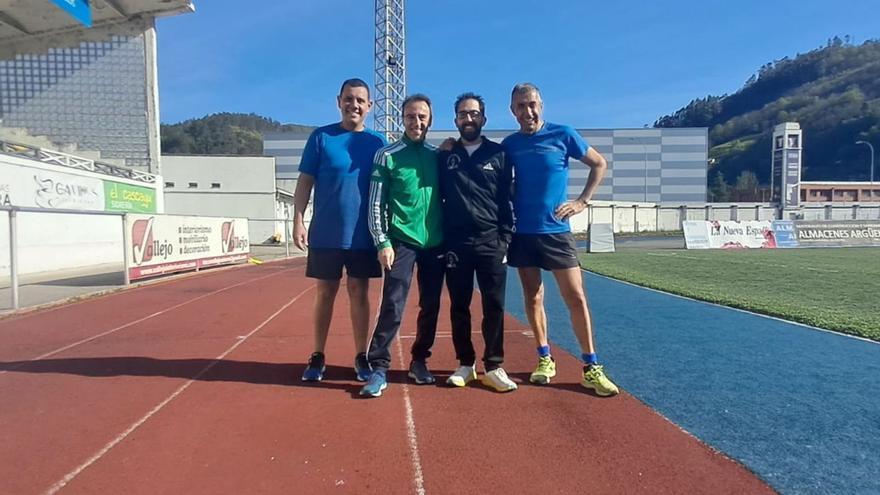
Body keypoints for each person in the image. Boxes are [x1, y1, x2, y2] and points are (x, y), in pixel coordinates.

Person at [502, 83, 619, 396]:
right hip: (523, 234)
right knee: (533, 297)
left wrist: (582, 201)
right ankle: (544, 358)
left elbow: (599, 163)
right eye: (521, 107)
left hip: (556, 232)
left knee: (576, 298)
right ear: (513, 112)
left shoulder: (563, 133)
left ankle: (591, 367)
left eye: (532, 104)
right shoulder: (509, 145)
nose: (528, 111)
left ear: (542, 104)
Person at [293, 78, 387, 383]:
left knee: (360, 293)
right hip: (325, 234)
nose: (354, 105)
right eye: (349, 99)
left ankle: (361, 355)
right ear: (339, 101)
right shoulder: (321, 138)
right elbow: (305, 182)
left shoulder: (377, 143)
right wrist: (298, 220)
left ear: (369, 106)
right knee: (325, 293)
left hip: (363, 235)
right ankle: (318, 355)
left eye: (360, 100)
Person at [360, 94, 445, 398]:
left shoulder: (438, 156)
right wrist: (382, 241)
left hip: (435, 242)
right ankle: (379, 366)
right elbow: (375, 202)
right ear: (402, 119)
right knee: (393, 303)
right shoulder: (387, 155)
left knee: (431, 305)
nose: (416, 122)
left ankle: (419, 360)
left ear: (430, 120)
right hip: (401, 242)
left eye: (422, 117)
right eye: (410, 116)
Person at [437, 92, 517, 392]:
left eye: (473, 114)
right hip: (456, 244)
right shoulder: (445, 156)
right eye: (462, 114)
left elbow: (506, 200)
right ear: (455, 119)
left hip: (491, 242)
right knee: (459, 305)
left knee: (494, 306)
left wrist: (505, 239)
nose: (468, 119)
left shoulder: (499, 154)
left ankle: (494, 366)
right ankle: (466, 364)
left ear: (483, 118)